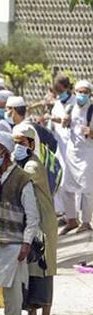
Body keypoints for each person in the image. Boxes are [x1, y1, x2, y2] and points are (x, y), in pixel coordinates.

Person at [0, 131, 40, 315]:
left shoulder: (21, 178)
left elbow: (32, 215)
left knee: (13, 293)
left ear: (4, 152)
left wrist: (26, 242)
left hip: (14, 244)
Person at [12, 125, 58, 315]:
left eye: (21, 143)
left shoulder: (31, 167)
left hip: (44, 224)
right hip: (32, 223)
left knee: (44, 269)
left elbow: (16, 180)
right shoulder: (22, 163)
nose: (17, 147)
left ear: (31, 144)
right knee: (31, 271)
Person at [58, 80, 93, 234]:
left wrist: (91, 133)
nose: (82, 94)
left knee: (87, 190)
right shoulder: (70, 107)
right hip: (71, 154)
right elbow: (65, 125)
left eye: (85, 92)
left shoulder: (91, 110)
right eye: (80, 91)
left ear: (90, 94)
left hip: (87, 153)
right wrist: (65, 122)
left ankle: (86, 222)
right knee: (65, 188)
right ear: (75, 92)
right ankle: (72, 220)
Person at [48, 76, 76, 221]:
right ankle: (67, 214)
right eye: (56, 91)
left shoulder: (75, 103)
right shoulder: (58, 104)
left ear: (67, 87)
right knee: (61, 181)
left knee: (74, 181)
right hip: (60, 147)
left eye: (60, 90)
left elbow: (68, 122)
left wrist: (54, 119)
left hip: (75, 147)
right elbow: (53, 125)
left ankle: (76, 215)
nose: (59, 93)